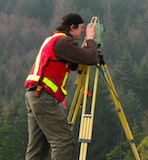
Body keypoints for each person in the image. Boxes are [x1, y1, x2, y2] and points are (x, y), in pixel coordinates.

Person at [24, 13, 98, 160]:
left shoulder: (53, 39)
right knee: (64, 141)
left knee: (38, 147)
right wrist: (90, 40)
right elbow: (91, 59)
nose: (83, 31)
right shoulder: (64, 42)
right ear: (72, 27)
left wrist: (81, 49)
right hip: (43, 97)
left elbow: (74, 64)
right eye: (82, 28)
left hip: (34, 95)